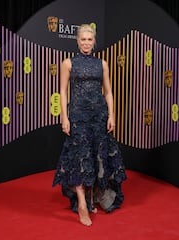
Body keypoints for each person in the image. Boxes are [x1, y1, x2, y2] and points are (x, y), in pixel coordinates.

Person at [52, 24, 127, 226]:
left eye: (89, 39)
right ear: (77, 41)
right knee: (78, 159)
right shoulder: (68, 63)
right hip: (78, 117)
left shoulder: (102, 64)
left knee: (95, 157)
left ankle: (92, 197)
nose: (86, 43)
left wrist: (111, 115)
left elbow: (108, 92)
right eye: (83, 39)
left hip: (99, 117)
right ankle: (82, 205)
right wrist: (64, 118)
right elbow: (63, 92)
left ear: (94, 41)